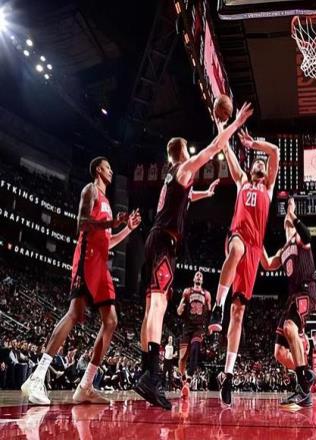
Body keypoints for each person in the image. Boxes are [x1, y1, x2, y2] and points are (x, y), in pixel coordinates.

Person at [135, 103, 253, 410]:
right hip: (165, 242)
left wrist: (205, 194)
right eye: (188, 150)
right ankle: (153, 376)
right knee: (159, 305)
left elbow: (186, 198)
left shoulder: (171, 179)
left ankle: (145, 370)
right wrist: (234, 124)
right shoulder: (184, 168)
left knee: (149, 307)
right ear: (183, 152)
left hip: (154, 239)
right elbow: (214, 148)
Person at [22, 157, 141, 405]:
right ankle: (37, 377)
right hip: (87, 258)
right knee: (75, 313)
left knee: (111, 321)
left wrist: (127, 228)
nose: (111, 171)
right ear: (98, 169)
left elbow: (108, 241)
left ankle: (85, 385)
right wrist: (112, 222)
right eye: (108, 167)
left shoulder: (107, 202)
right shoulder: (91, 190)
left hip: (101, 263)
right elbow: (82, 224)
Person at [208, 128, 279, 406]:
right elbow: (226, 149)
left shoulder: (268, 188)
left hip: (254, 249)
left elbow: (275, 151)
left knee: (238, 314)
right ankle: (217, 306)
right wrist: (223, 126)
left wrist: (254, 143)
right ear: (250, 168)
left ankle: (227, 374)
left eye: (262, 163)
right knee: (236, 249)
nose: (260, 163)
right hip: (237, 237)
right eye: (256, 162)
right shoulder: (241, 181)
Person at [260, 197, 316, 408]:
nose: (287, 223)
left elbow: (308, 234)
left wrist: (291, 212)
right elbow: (267, 264)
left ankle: (303, 388)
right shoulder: (283, 250)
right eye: (285, 221)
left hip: (306, 291)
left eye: (289, 221)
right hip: (292, 297)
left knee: (289, 327)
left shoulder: (300, 239)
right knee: (279, 353)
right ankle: (307, 375)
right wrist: (257, 241)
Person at [177, 271, 211, 399]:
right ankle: (183, 380)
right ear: (193, 278)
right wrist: (179, 309)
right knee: (182, 357)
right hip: (187, 327)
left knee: (195, 350)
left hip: (199, 327)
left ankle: (189, 381)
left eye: (201, 275)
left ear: (202, 280)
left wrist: (209, 326)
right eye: (197, 274)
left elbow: (210, 311)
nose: (199, 276)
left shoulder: (206, 294)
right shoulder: (187, 291)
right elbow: (179, 310)